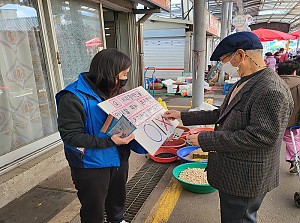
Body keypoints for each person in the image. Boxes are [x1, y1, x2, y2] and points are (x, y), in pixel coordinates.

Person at [163, 32, 294, 223]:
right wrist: (182, 116)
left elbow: (261, 137)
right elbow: (221, 113)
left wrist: (204, 139)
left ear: (241, 55)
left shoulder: (270, 89)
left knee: (240, 218)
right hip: (234, 172)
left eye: (225, 60)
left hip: (247, 177)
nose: (225, 66)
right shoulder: (245, 81)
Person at [56, 48, 147, 223]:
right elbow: (71, 136)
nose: (124, 79)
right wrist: (108, 140)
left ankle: (117, 219)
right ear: (109, 73)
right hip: (91, 164)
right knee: (94, 207)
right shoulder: (73, 97)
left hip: (119, 156)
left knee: (117, 197)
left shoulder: (117, 91)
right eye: (123, 74)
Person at [277, 60, 300, 173]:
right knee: (292, 139)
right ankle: (297, 159)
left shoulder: (273, 82)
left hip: (274, 119)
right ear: (294, 71)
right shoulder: (299, 83)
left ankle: (294, 161)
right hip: (293, 119)